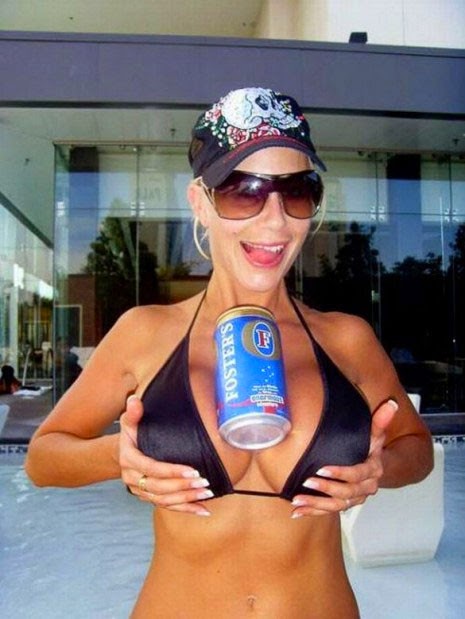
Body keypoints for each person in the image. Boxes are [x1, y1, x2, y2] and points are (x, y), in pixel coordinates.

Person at [25, 87, 434, 618]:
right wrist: (117, 458)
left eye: (298, 192)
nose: (275, 221)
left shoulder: (346, 340)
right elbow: (42, 459)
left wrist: (380, 469)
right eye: (244, 191)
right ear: (201, 202)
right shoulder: (145, 334)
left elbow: (417, 449)